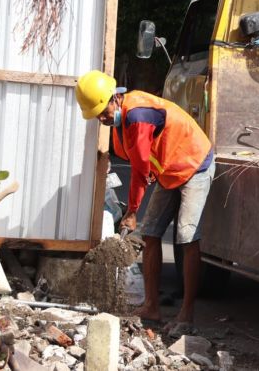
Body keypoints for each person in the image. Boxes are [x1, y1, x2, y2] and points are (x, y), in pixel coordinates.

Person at [75, 70, 214, 331]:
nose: (102, 118)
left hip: (194, 162)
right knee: (150, 233)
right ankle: (151, 306)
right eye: (97, 116)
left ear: (115, 98)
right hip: (169, 168)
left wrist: (131, 211)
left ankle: (187, 313)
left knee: (186, 235)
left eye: (104, 111)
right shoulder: (120, 122)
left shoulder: (138, 116)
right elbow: (142, 161)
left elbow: (139, 169)